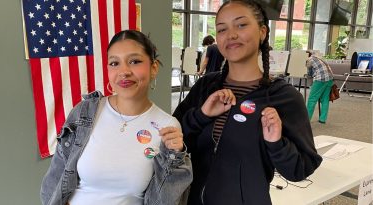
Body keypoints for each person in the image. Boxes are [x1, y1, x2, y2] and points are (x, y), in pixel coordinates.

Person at [173, 1, 322, 204]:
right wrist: (201, 115)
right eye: (222, 29)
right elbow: (175, 140)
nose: (231, 35)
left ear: (262, 32)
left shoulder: (283, 97)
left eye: (241, 25)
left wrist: (276, 144)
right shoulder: (206, 86)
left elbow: (300, 170)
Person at [40, 30, 192, 205]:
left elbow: (164, 199)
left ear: (154, 68)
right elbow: (55, 181)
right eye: (114, 63)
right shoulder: (85, 112)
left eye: (135, 61)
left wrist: (175, 158)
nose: (124, 71)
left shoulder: (167, 126)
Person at [306, 50, 334, 124]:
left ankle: (307, 119)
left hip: (320, 79)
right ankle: (322, 119)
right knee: (325, 99)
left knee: (312, 99)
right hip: (330, 79)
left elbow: (309, 73)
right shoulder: (319, 58)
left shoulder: (309, 60)